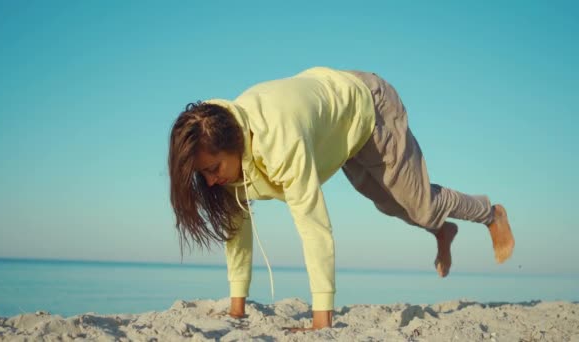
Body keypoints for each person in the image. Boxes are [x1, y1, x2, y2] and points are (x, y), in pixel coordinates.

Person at [167, 67, 515, 331]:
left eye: (213, 170)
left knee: (420, 204)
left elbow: (313, 226)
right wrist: (236, 308)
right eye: (204, 175)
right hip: (336, 129)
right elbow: (236, 227)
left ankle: (490, 213)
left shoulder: (279, 139)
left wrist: (322, 321)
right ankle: (442, 231)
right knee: (389, 204)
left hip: (368, 107)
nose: (211, 182)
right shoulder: (216, 139)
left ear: (233, 144)